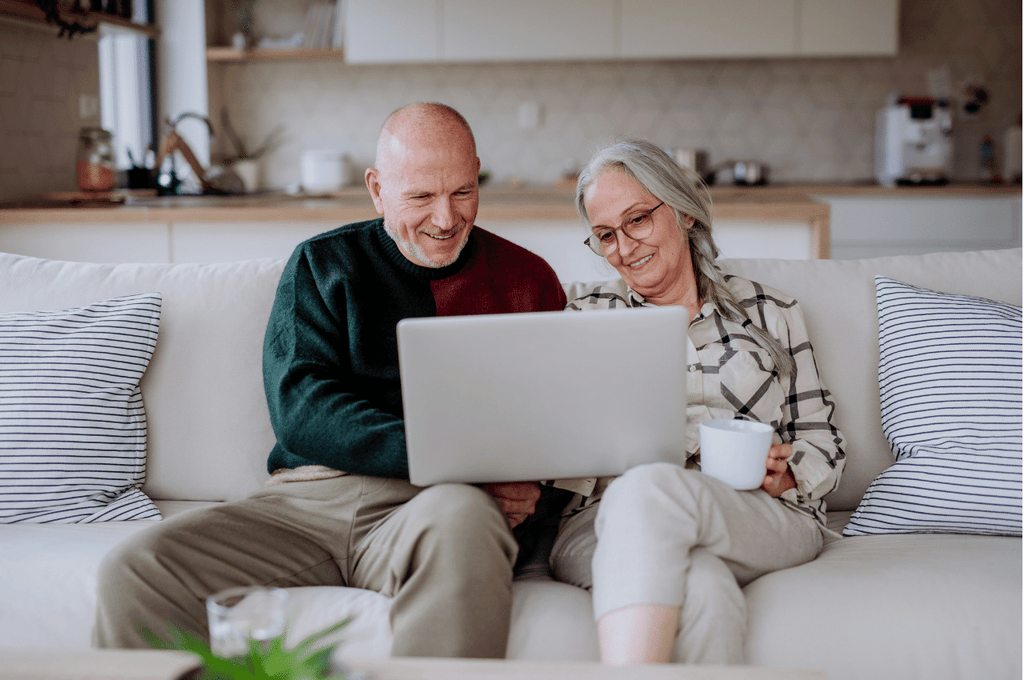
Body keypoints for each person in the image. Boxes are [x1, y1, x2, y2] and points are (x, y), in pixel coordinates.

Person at [94, 102, 567, 658]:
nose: (446, 218)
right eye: (421, 196)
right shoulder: (321, 264)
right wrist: (448, 454)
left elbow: (553, 424)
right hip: (308, 503)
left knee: (465, 521)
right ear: (377, 189)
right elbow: (301, 409)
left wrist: (528, 488)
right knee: (134, 570)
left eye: (463, 192)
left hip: (442, 505)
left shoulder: (527, 280)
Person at [546, 139, 846, 665]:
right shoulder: (579, 317)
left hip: (755, 512)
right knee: (702, 583)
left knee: (650, 490)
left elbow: (822, 438)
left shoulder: (772, 311)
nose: (624, 246)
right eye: (605, 235)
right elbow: (546, 443)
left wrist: (788, 474)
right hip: (600, 521)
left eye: (637, 220)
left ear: (682, 211)